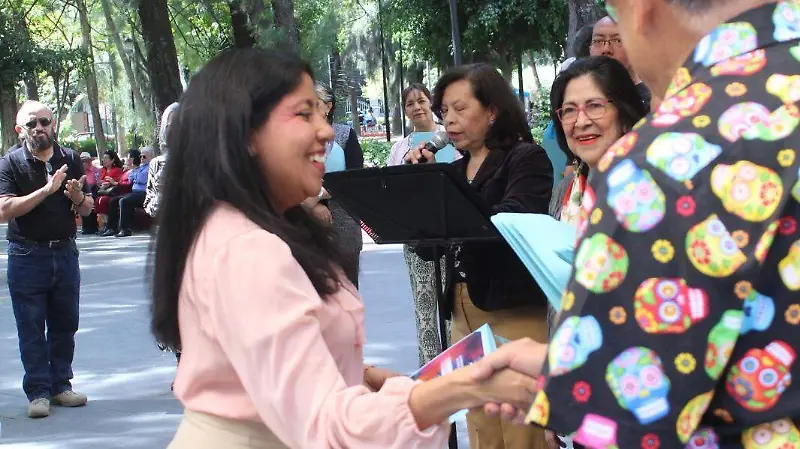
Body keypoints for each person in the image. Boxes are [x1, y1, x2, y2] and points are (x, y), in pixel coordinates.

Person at [150, 48, 536, 448]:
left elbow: (267, 363)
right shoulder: (249, 251)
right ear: (245, 133)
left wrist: (359, 373)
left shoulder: (244, 228)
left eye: (322, 111)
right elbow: (326, 427)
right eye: (304, 114)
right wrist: (459, 389)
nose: (327, 130)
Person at [472, 1, 800, 448]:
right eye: (568, 110)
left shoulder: (675, 153)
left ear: (640, 9)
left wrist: (575, 384)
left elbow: (632, 412)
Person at [404, 63, 554, 449]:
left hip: (510, 303)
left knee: (521, 425)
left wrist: (448, 190)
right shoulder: (451, 170)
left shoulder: (525, 159)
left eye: (459, 109)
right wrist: (422, 189)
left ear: (492, 111)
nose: (449, 121)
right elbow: (427, 247)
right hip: (460, 304)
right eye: (445, 112)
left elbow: (508, 223)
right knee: (481, 419)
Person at [546, 55, 648, 449]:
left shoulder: (650, 186)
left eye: (594, 106)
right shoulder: (567, 190)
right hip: (581, 388)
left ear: (623, 112)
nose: (580, 121)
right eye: (568, 110)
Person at [0, 100, 93, 418]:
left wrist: (78, 197)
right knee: (30, 327)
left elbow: (87, 208)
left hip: (65, 252)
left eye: (45, 121)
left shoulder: (70, 158)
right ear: (20, 129)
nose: (39, 127)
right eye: (32, 124)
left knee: (65, 324)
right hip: (27, 255)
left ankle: (61, 386)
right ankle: (38, 392)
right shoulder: (10, 163)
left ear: (54, 124)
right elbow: (3, 211)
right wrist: (47, 190)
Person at [387, 83, 459, 366]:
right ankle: (430, 372)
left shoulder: (451, 138)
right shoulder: (400, 148)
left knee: (454, 308)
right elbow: (392, 188)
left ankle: (458, 372)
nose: (416, 107)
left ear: (431, 103)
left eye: (421, 101)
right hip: (418, 237)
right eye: (409, 104)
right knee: (425, 310)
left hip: (455, 233)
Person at [301, 83, 364, 287]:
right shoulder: (296, 138)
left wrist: (316, 197)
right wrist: (309, 205)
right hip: (305, 229)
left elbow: (354, 178)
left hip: (343, 225)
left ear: (328, 107)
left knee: (347, 292)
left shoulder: (345, 135)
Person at [590, 16, 653, 110]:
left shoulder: (653, 104)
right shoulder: (579, 98)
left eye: (618, 40)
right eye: (598, 41)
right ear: (589, 49)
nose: (606, 49)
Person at [103, 146, 152, 237]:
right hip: (135, 192)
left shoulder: (150, 167)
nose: (141, 158)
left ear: (150, 157)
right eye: (140, 156)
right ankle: (112, 228)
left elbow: (141, 179)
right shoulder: (139, 168)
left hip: (144, 193)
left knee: (124, 201)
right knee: (114, 200)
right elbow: (131, 178)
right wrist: (135, 175)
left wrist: (135, 176)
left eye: (144, 157)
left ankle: (124, 229)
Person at [144, 102, 179, 220]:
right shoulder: (156, 163)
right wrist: (161, 195)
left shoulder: (201, 161)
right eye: (171, 125)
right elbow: (148, 204)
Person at [95, 149, 124, 234]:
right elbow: (101, 182)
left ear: (112, 160)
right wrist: (100, 184)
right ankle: (104, 224)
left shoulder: (117, 170)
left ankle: (109, 225)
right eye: (103, 158)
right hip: (103, 192)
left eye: (106, 158)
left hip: (113, 193)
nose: (104, 160)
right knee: (98, 200)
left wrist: (109, 183)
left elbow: (117, 183)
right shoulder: (103, 170)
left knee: (103, 200)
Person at [79, 152, 100, 234]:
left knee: (89, 199)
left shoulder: (96, 170)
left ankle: (93, 226)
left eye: (85, 161)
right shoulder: (79, 171)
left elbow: (98, 182)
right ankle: (86, 226)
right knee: (80, 200)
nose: (83, 163)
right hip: (83, 191)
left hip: (94, 190)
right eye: (81, 161)